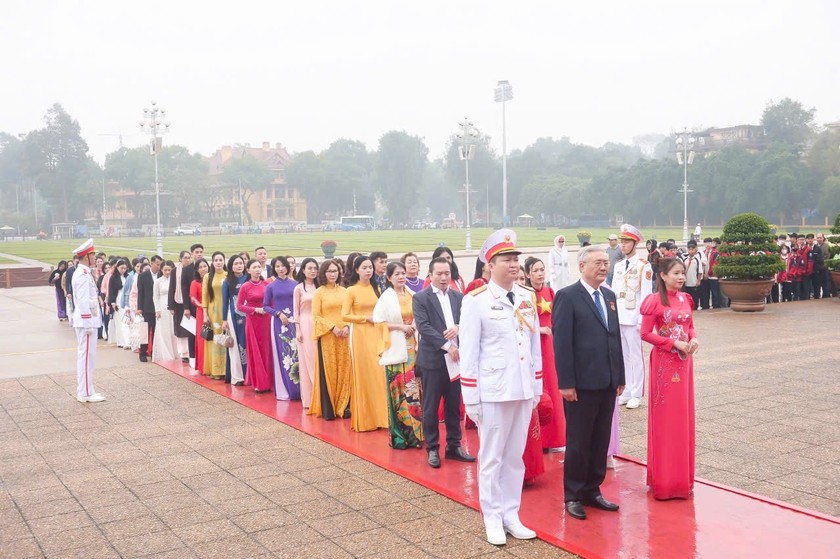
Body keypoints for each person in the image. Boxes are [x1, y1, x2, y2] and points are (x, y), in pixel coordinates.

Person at [459, 229, 541, 545]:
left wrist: (536, 385)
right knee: (491, 457)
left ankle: (511, 513)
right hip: (493, 390)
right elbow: (469, 352)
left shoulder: (526, 296)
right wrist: (472, 399)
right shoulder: (476, 301)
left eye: (515, 259)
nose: (513, 264)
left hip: (521, 388)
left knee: (514, 457)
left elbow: (532, 344)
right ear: (490, 265)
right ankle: (492, 517)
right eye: (506, 259)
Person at [553, 245, 625, 521]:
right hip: (580, 385)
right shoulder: (568, 297)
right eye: (597, 263)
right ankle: (573, 494)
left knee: (599, 440)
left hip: (607, 382)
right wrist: (566, 382)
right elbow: (562, 343)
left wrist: (620, 377)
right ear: (582, 266)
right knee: (579, 442)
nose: (604, 267)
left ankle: (593, 489)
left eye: (606, 262)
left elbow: (614, 338)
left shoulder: (608, 296)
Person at [640, 257, 699, 500]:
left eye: (682, 273)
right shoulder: (654, 301)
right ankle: (664, 481)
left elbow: (691, 326)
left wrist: (694, 339)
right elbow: (644, 333)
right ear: (663, 275)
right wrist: (672, 343)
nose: (681, 277)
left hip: (685, 363)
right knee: (666, 419)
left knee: (683, 417)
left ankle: (681, 480)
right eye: (676, 273)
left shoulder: (686, 299)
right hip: (664, 364)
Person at [413, 257, 475, 468]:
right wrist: (448, 346)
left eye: (446, 273)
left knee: (453, 405)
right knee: (430, 407)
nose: (443, 277)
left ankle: (454, 445)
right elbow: (424, 327)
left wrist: (458, 327)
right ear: (430, 275)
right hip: (434, 360)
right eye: (439, 273)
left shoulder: (459, 297)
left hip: (456, 361)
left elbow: (467, 321)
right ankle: (432, 447)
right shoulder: (421, 298)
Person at [373, 261, 423, 449]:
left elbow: (420, 316)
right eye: (396, 274)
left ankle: (417, 434)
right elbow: (378, 322)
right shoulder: (386, 297)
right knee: (399, 391)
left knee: (415, 390)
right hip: (396, 346)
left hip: (413, 346)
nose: (401, 277)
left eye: (403, 273)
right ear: (389, 278)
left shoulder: (413, 294)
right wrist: (401, 327)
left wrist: (414, 326)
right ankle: (401, 436)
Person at [342, 255, 389, 432]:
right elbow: (345, 315)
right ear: (356, 270)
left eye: (370, 267)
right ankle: (366, 419)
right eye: (364, 267)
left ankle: (381, 417)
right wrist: (364, 318)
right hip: (360, 334)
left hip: (375, 333)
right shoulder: (351, 291)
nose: (368, 270)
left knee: (378, 372)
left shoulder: (376, 287)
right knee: (364, 373)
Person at [524, 257, 565, 452]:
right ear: (527, 274)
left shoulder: (550, 292)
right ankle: (536, 437)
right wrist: (538, 329)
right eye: (536, 270)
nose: (540, 274)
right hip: (533, 344)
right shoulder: (523, 295)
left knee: (552, 384)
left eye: (542, 269)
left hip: (550, 346)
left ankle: (554, 437)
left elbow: (558, 318)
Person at [614, 224, 653, 411]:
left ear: (634, 243)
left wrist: (642, 320)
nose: (623, 245)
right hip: (620, 315)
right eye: (622, 241)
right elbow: (614, 292)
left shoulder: (644, 267)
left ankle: (637, 393)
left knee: (636, 356)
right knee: (624, 356)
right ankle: (627, 390)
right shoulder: (619, 265)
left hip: (634, 316)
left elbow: (646, 296)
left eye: (626, 241)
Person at [309, 259, 352, 420]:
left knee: (345, 369)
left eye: (335, 271)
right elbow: (316, 316)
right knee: (330, 370)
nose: (333, 274)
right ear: (323, 274)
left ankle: (344, 405)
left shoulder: (345, 291)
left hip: (344, 337)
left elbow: (350, 311)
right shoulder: (319, 292)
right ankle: (330, 408)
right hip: (328, 336)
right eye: (329, 271)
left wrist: (347, 326)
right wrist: (333, 328)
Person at [70, 239, 105, 403]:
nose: (95, 257)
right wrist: (88, 322)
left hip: (87, 320)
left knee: (88, 357)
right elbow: (83, 301)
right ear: (86, 257)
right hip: (86, 321)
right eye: (93, 255)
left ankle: (87, 389)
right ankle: (84, 393)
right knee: (86, 357)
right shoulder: (83, 275)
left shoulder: (84, 273)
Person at [264, 256, 301, 400]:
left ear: (288, 267)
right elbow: (266, 306)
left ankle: (300, 390)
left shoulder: (296, 284)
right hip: (280, 325)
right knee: (284, 355)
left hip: (295, 322)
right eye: (277, 266)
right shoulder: (271, 286)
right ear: (274, 268)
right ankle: (287, 390)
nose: (281, 269)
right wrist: (278, 313)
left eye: (283, 266)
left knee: (297, 354)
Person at [237, 260, 273, 393]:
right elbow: (239, 306)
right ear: (248, 270)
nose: (257, 269)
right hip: (253, 321)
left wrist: (268, 310)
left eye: (259, 267)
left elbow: (272, 302)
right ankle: (259, 382)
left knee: (267, 350)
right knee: (255, 349)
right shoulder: (245, 286)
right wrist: (255, 310)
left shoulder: (267, 284)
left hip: (266, 320)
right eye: (254, 267)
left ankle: (269, 381)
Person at [294, 258, 320, 408]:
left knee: (318, 359)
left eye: (315, 268)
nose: (313, 271)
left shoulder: (320, 287)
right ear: (303, 270)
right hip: (305, 324)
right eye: (309, 268)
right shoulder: (298, 288)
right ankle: (310, 399)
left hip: (318, 324)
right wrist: (298, 329)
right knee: (307, 360)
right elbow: (296, 311)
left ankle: (320, 396)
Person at [222, 255, 247, 385]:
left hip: (249, 316)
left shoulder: (249, 278)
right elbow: (225, 302)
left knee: (249, 344)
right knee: (236, 346)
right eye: (236, 263)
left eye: (241, 263)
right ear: (231, 266)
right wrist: (224, 320)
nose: (239, 265)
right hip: (233, 317)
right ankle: (237, 376)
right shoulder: (227, 282)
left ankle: (250, 375)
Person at [202, 252, 227, 379]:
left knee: (227, 337)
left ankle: (226, 369)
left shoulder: (228, 275)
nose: (218, 262)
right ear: (212, 262)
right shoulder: (208, 277)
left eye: (220, 259)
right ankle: (216, 370)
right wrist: (205, 314)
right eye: (216, 260)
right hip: (213, 311)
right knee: (216, 339)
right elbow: (205, 297)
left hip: (226, 310)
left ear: (224, 261)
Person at [136, 255, 162, 363]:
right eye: (157, 264)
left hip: (158, 308)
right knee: (145, 331)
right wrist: (139, 308)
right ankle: (143, 352)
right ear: (151, 263)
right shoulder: (143, 276)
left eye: (160, 264)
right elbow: (140, 293)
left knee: (157, 331)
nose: (159, 266)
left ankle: (154, 352)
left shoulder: (161, 275)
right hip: (147, 308)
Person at [152, 260, 178, 362]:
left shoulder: (175, 280)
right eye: (165, 270)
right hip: (162, 307)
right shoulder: (158, 281)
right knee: (164, 330)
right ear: (161, 270)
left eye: (169, 270)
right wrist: (157, 310)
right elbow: (155, 296)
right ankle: (166, 354)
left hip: (173, 307)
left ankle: (177, 353)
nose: (167, 272)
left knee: (173, 330)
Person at [190, 258, 209, 373]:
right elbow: (193, 298)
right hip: (202, 312)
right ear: (197, 270)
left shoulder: (212, 279)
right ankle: (203, 366)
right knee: (203, 338)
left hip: (214, 310)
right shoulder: (195, 283)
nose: (203, 269)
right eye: (200, 267)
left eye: (205, 266)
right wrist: (202, 306)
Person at [680, 240, 705, 310]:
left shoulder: (697, 260)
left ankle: (695, 308)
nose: (691, 251)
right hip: (687, 281)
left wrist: (698, 281)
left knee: (695, 297)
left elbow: (700, 271)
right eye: (689, 249)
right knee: (687, 296)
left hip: (694, 282)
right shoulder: (685, 259)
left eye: (692, 249)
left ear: (695, 250)